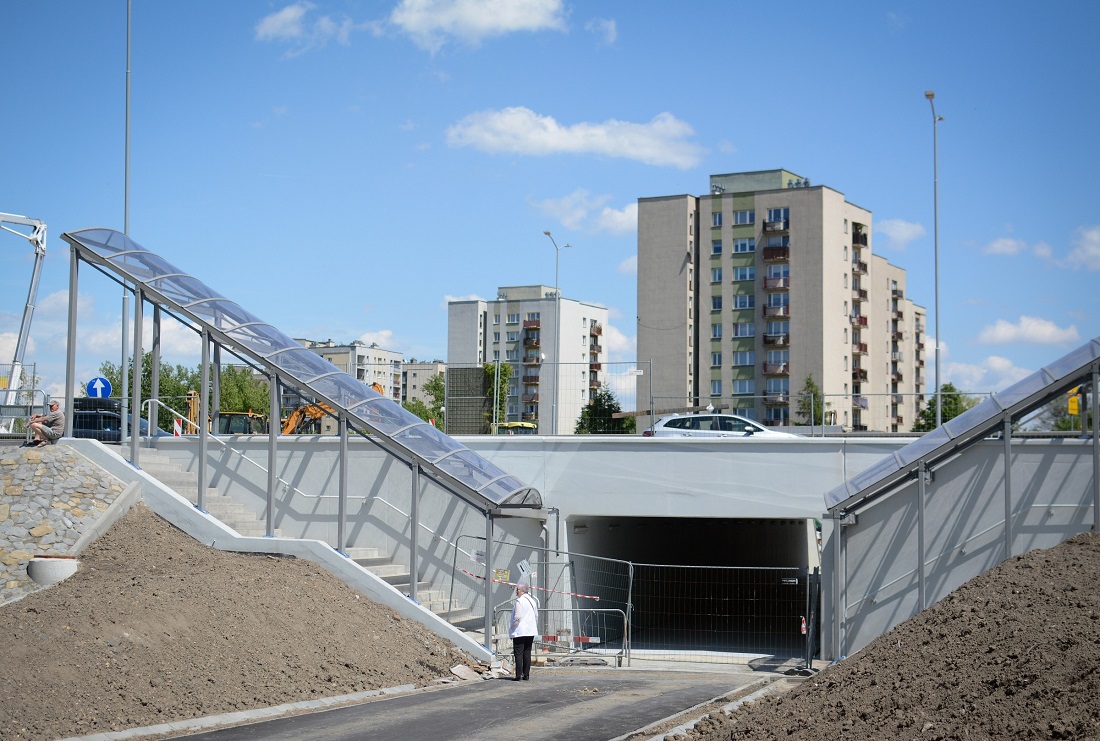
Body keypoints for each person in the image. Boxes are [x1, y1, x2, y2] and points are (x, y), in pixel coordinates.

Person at [509, 580, 538, 681]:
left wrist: (512, 627)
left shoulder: (519, 601)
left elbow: (517, 616)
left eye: (517, 589)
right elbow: (536, 616)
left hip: (520, 630)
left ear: (521, 591)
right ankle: (526, 674)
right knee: (527, 652)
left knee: (518, 652)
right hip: (530, 630)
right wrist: (533, 626)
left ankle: (518, 674)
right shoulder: (532, 601)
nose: (516, 591)